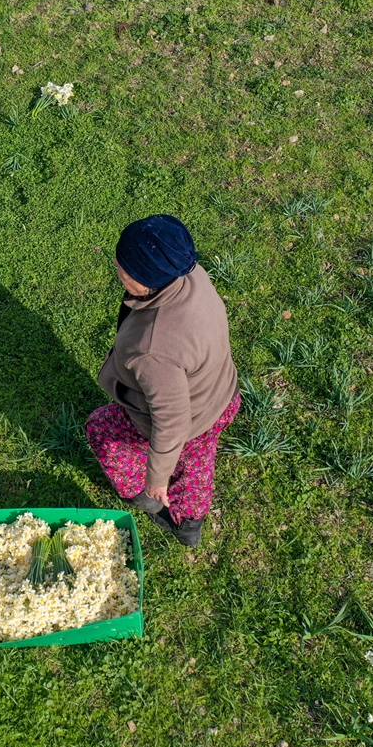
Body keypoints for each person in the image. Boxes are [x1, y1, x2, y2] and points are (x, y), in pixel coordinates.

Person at [87, 214, 240, 546]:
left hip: (191, 419)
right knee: (198, 461)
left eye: (124, 267)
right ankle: (190, 524)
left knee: (102, 429)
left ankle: (145, 498)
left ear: (146, 282)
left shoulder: (152, 350)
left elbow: (171, 421)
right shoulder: (190, 274)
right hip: (222, 396)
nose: (116, 265)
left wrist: (156, 479)